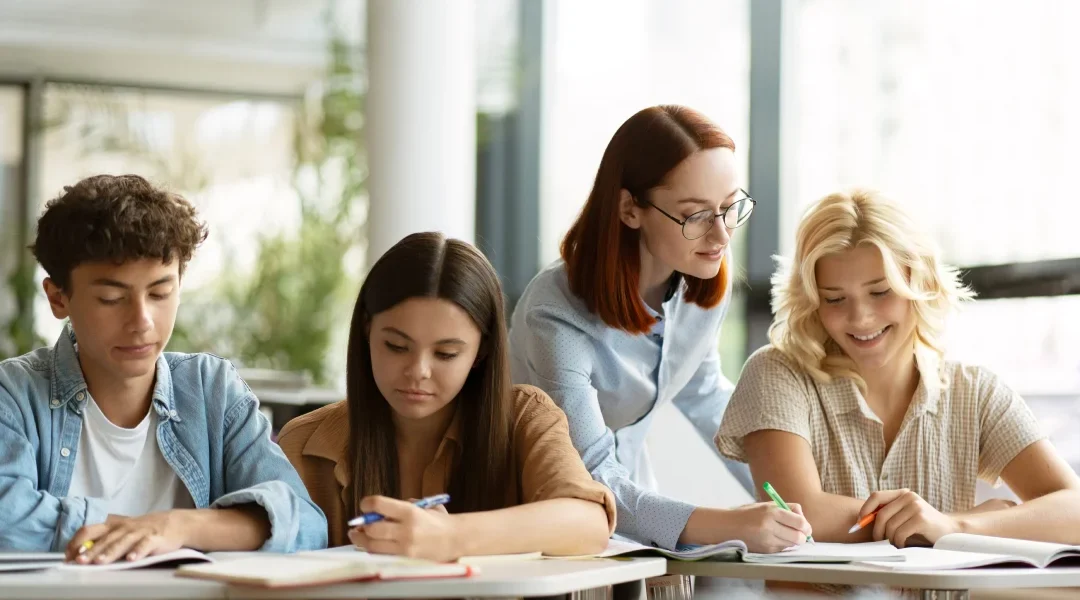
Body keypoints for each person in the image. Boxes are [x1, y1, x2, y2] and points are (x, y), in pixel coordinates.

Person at [509, 105, 812, 553]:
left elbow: (705, 393)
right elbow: (594, 476)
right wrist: (730, 524)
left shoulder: (698, 278)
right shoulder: (554, 314)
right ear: (630, 209)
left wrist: (795, 491)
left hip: (632, 519)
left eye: (730, 209)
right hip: (541, 519)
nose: (722, 236)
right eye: (695, 216)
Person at [716, 188, 1080, 547]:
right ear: (812, 300)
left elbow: (1073, 509)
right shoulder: (777, 374)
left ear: (920, 281)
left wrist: (955, 526)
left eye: (880, 291)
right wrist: (933, 525)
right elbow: (801, 514)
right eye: (835, 299)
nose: (860, 318)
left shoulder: (975, 392)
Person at [0, 175, 327, 562]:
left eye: (160, 293)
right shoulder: (15, 394)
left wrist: (176, 527)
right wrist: (132, 532)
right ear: (58, 298)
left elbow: (304, 522)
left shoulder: (212, 391)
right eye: (111, 298)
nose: (142, 321)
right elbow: (7, 515)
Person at [279, 232, 615, 558]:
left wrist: (449, 536)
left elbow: (589, 524)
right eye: (396, 346)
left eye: (446, 354)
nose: (418, 371)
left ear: (481, 351)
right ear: (367, 329)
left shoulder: (526, 416)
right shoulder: (305, 443)